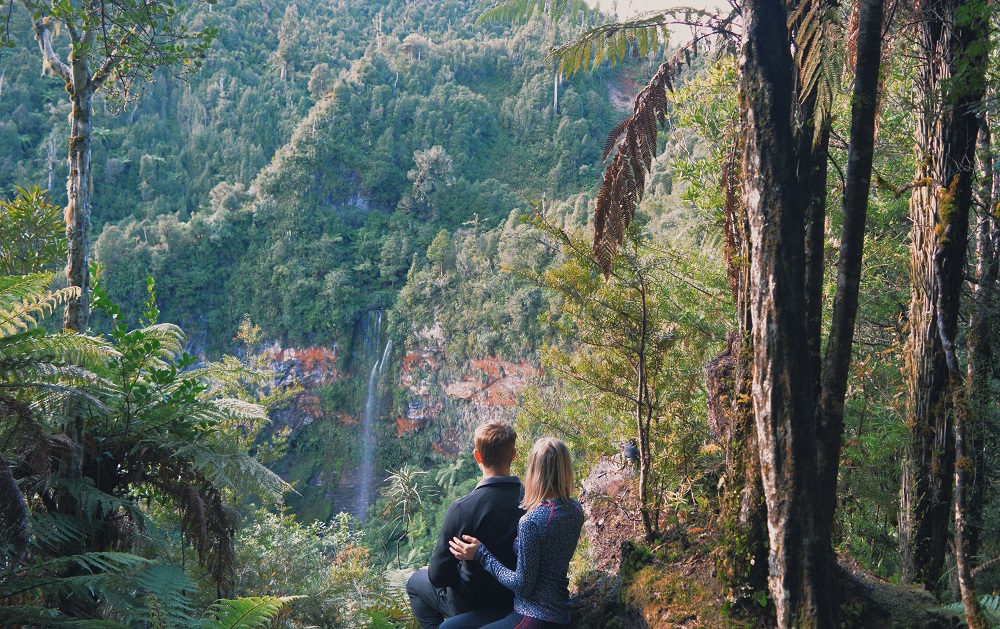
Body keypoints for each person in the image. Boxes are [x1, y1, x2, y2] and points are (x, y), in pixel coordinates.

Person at [445, 437, 584, 629]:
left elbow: (522, 585)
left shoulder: (531, 521)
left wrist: (481, 554)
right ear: (566, 468)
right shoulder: (575, 510)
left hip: (533, 616)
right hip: (559, 612)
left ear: (534, 470)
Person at [406, 421, 524, 629]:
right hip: (517, 595)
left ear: (477, 456)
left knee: (416, 582)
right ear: (514, 454)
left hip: (471, 602)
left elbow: (438, 575)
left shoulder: (463, 509)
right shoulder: (531, 500)